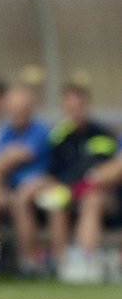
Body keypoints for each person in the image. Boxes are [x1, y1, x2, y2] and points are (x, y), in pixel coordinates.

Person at [19, 84, 118, 282]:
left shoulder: (102, 134)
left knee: (93, 199)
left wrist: (76, 187)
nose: (75, 111)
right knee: (54, 200)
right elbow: (53, 172)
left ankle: (85, 261)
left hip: (99, 194)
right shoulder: (58, 136)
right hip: (67, 192)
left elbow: (102, 173)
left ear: (86, 105)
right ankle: (61, 264)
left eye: (79, 106)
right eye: (70, 107)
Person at [0, 83, 50, 275]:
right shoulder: (7, 131)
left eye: (22, 110)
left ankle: (27, 262)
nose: (18, 114)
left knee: (18, 197)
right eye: (14, 110)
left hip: (40, 188)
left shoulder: (41, 130)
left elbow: (17, 156)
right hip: (11, 188)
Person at [59, 147, 122, 283]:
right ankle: (83, 259)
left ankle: (78, 188)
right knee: (92, 199)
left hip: (112, 199)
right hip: (109, 196)